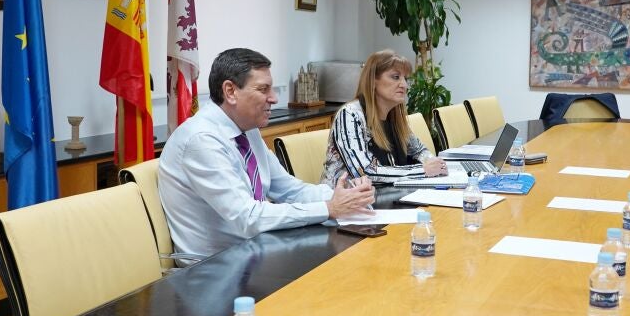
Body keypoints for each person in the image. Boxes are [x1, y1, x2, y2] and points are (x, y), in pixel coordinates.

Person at [159, 48, 374, 260]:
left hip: (255, 251)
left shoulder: (247, 130)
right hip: (215, 269)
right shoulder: (201, 140)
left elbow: (290, 190)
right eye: (263, 89)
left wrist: (347, 197)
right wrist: (329, 208)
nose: (274, 98)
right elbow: (248, 217)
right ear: (230, 91)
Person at [320, 50, 447, 186]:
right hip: (346, 202)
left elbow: (419, 151)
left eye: (406, 79)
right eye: (396, 77)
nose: (404, 85)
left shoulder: (395, 118)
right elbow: (365, 172)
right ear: (373, 81)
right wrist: (422, 170)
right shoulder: (350, 115)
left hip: (385, 197)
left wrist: (434, 163)